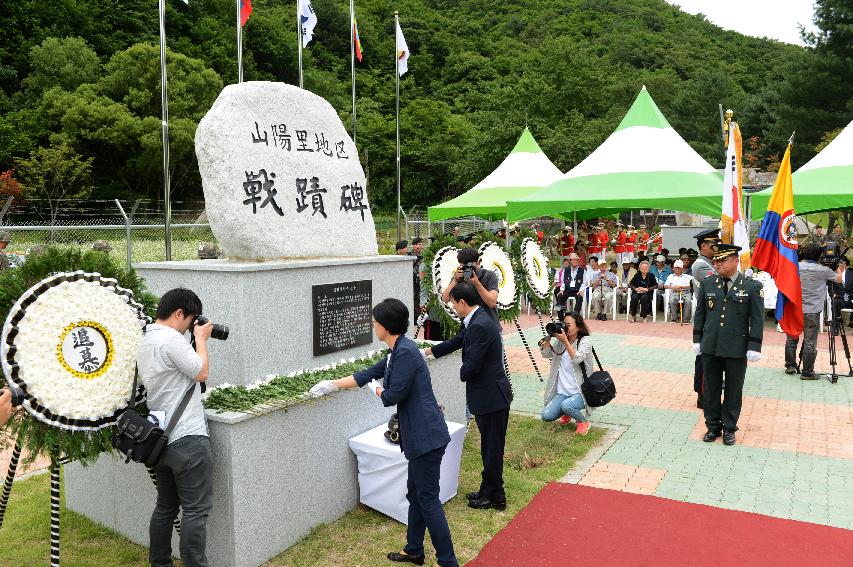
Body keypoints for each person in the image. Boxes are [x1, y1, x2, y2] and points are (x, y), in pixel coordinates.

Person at [310, 299, 458, 567]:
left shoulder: (405, 353)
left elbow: (393, 396)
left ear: (386, 326)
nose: (372, 325)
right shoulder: (397, 350)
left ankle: (448, 561)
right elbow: (366, 374)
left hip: (426, 438)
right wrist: (331, 385)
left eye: (375, 321)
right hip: (421, 437)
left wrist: (375, 389)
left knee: (427, 500)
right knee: (416, 495)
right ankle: (414, 550)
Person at [137, 288, 214, 567]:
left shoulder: (146, 339)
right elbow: (201, 372)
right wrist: (200, 339)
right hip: (188, 437)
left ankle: (160, 563)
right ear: (179, 313)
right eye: (190, 320)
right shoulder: (171, 339)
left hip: (161, 439)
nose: (190, 327)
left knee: (166, 507)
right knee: (195, 510)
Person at [425, 282, 512, 511]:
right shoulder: (477, 318)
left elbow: (472, 365)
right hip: (489, 396)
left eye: (454, 303)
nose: (453, 307)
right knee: (488, 446)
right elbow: (457, 341)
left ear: (463, 302)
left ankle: (495, 496)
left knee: (492, 449)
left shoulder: (480, 325)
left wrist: (461, 373)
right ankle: (488, 489)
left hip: (491, 397)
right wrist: (429, 352)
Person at [693, 243, 764, 446]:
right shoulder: (708, 283)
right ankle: (712, 426)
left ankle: (729, 428)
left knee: (733, 390)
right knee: (711, 389)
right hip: (711, 346)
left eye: (722, 260)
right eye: (716, 260)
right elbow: (700, 314)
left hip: (736, 347)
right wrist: (697, 340)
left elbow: (757, 319)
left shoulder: (751, 286)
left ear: (735, 261)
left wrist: (754, 346)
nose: (717, 264)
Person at [784, 243, 843, 378]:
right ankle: (807, 371)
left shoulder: (795, 266)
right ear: (819, 255)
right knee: (810, 341)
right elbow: (839, 279)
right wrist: (836, 266)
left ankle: (790, 365)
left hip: (795, 308)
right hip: (812, 311)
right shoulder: (823, 270)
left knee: (792, 337)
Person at [538, 311, 594, 433]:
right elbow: (547, 354)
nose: (565, 328)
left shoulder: (585, 341)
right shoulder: (561, 342)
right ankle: (567, 413)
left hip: (580, 392)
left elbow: (577, 358)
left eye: (568, 325)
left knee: (566, 405)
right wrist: (547, 340)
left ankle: (584, 422)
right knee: (546, 415)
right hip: (563, 392)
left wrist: (566, 342)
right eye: (564, 324)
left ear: (578, 326)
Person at [440, 247, 500, 323]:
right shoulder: (459, 276)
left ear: (478, 263)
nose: (467, 270)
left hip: (489, 324)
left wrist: (477, 283)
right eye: (464, 267)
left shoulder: (489, 275)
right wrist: (455, 280)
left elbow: (492, 303)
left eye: (470, 267)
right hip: (468, 324)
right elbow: (445, 299)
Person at [664, 260, 693, 324]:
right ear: (673, 268)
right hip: (674, 291)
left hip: (685, 292)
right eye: (676, 267)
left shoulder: (688, 277)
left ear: (682, 268)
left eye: (679, 268)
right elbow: (665, 286)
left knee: (688, 301)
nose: (677, 269)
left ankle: (685, 319)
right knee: (671, 300)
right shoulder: (670, 276)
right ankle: (674, 318)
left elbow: (691, 286)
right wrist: (673, 287)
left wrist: (682, 287)